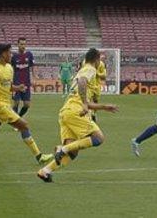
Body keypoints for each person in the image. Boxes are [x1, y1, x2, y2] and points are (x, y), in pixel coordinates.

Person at [37, 48, 117, 182]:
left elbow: (81, 97)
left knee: (73, 153)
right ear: (97, 60)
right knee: (98, 138)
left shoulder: (83, 70)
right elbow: (82, 83)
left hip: (66, 112)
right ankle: (62, 149)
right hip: (75, 112)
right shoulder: (90, 69)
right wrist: (85, 103)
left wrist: (103, 107)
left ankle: (45, 171)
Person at [12, 38, 34, 117]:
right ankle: (16, 121)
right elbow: (10, 68)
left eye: (24, 44)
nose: (23, 46)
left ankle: (19, 117)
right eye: (21, 44)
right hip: (16, 83)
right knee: (16, 102)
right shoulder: (14, 56)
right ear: (18, 45)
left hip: (26, 83)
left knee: (27, 105)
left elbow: (32, 67)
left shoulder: (29, 55)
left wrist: (33, 78)